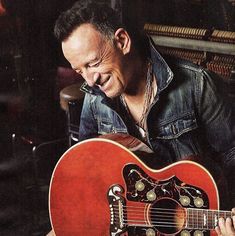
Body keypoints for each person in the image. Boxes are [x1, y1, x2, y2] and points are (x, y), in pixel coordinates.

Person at [52, 1, 235, 235]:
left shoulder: (198, 86)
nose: (89, 80)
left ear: (122, 41)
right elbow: (78, 171)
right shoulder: (94, 99)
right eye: (80, 71)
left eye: (93, 63)